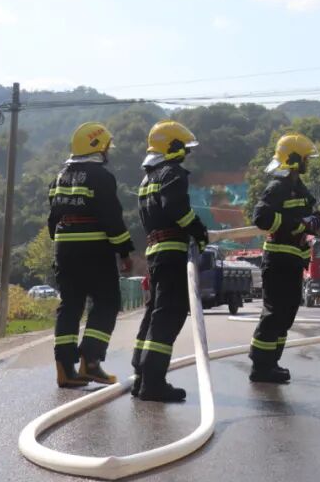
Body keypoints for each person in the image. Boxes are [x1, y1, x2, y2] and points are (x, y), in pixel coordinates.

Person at [249, 133, 320, 383]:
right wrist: (297, 224)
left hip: (294, 259)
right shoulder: (278, 186)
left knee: (287, 314)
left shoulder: (299, 188)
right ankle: (260, 367)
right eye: (305, 158)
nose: (308, 162)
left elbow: (310, 220)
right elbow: (261, 218)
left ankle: (272, 363)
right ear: (294, 159)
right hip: (278, 259)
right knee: (274, 313)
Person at [48, 122, 134, 388]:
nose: (108, 151)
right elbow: (111, 218)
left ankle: (65, 370)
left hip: (65, 249)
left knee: (70, 305)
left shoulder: (60, 177)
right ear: (97, 147)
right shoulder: (101, 176)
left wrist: (62, 244)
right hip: (95, 249)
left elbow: (52, 220)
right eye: (106, 146)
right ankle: (91, 361)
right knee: (107, 302)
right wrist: (124, 251)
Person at [131, 121, 208, 403]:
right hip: (171, 250)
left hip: (155, 250)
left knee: (154, 312)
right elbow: (176, 208)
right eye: (184, 148)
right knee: (168, 314)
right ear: (173, 146)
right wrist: (198, 230)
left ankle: (141, 376)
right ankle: (153, 382)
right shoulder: (172, 172)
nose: (187, 153)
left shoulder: (148, 177)